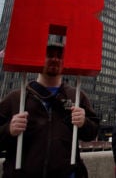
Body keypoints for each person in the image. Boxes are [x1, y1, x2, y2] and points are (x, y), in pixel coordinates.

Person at [0, 43, 99, 178]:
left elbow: (92, 133)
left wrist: (84, 123)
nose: (55, 59)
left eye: (60, 56)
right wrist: (9, 130)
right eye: (49, 55)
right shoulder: (16, 98)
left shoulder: (76, 96)